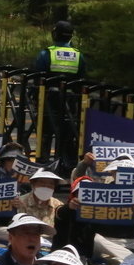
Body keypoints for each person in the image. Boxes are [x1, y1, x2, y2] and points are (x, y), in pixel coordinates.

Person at [32, 20, 84, 167]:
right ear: (70, 36)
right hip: (70, 102)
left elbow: (38, 78)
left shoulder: (46, 53)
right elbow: (81, 80)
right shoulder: (79, 56)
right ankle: (66, 164)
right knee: (68, 133)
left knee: (46, 132)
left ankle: (43, 163)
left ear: (54, 34)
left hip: (49, 100)